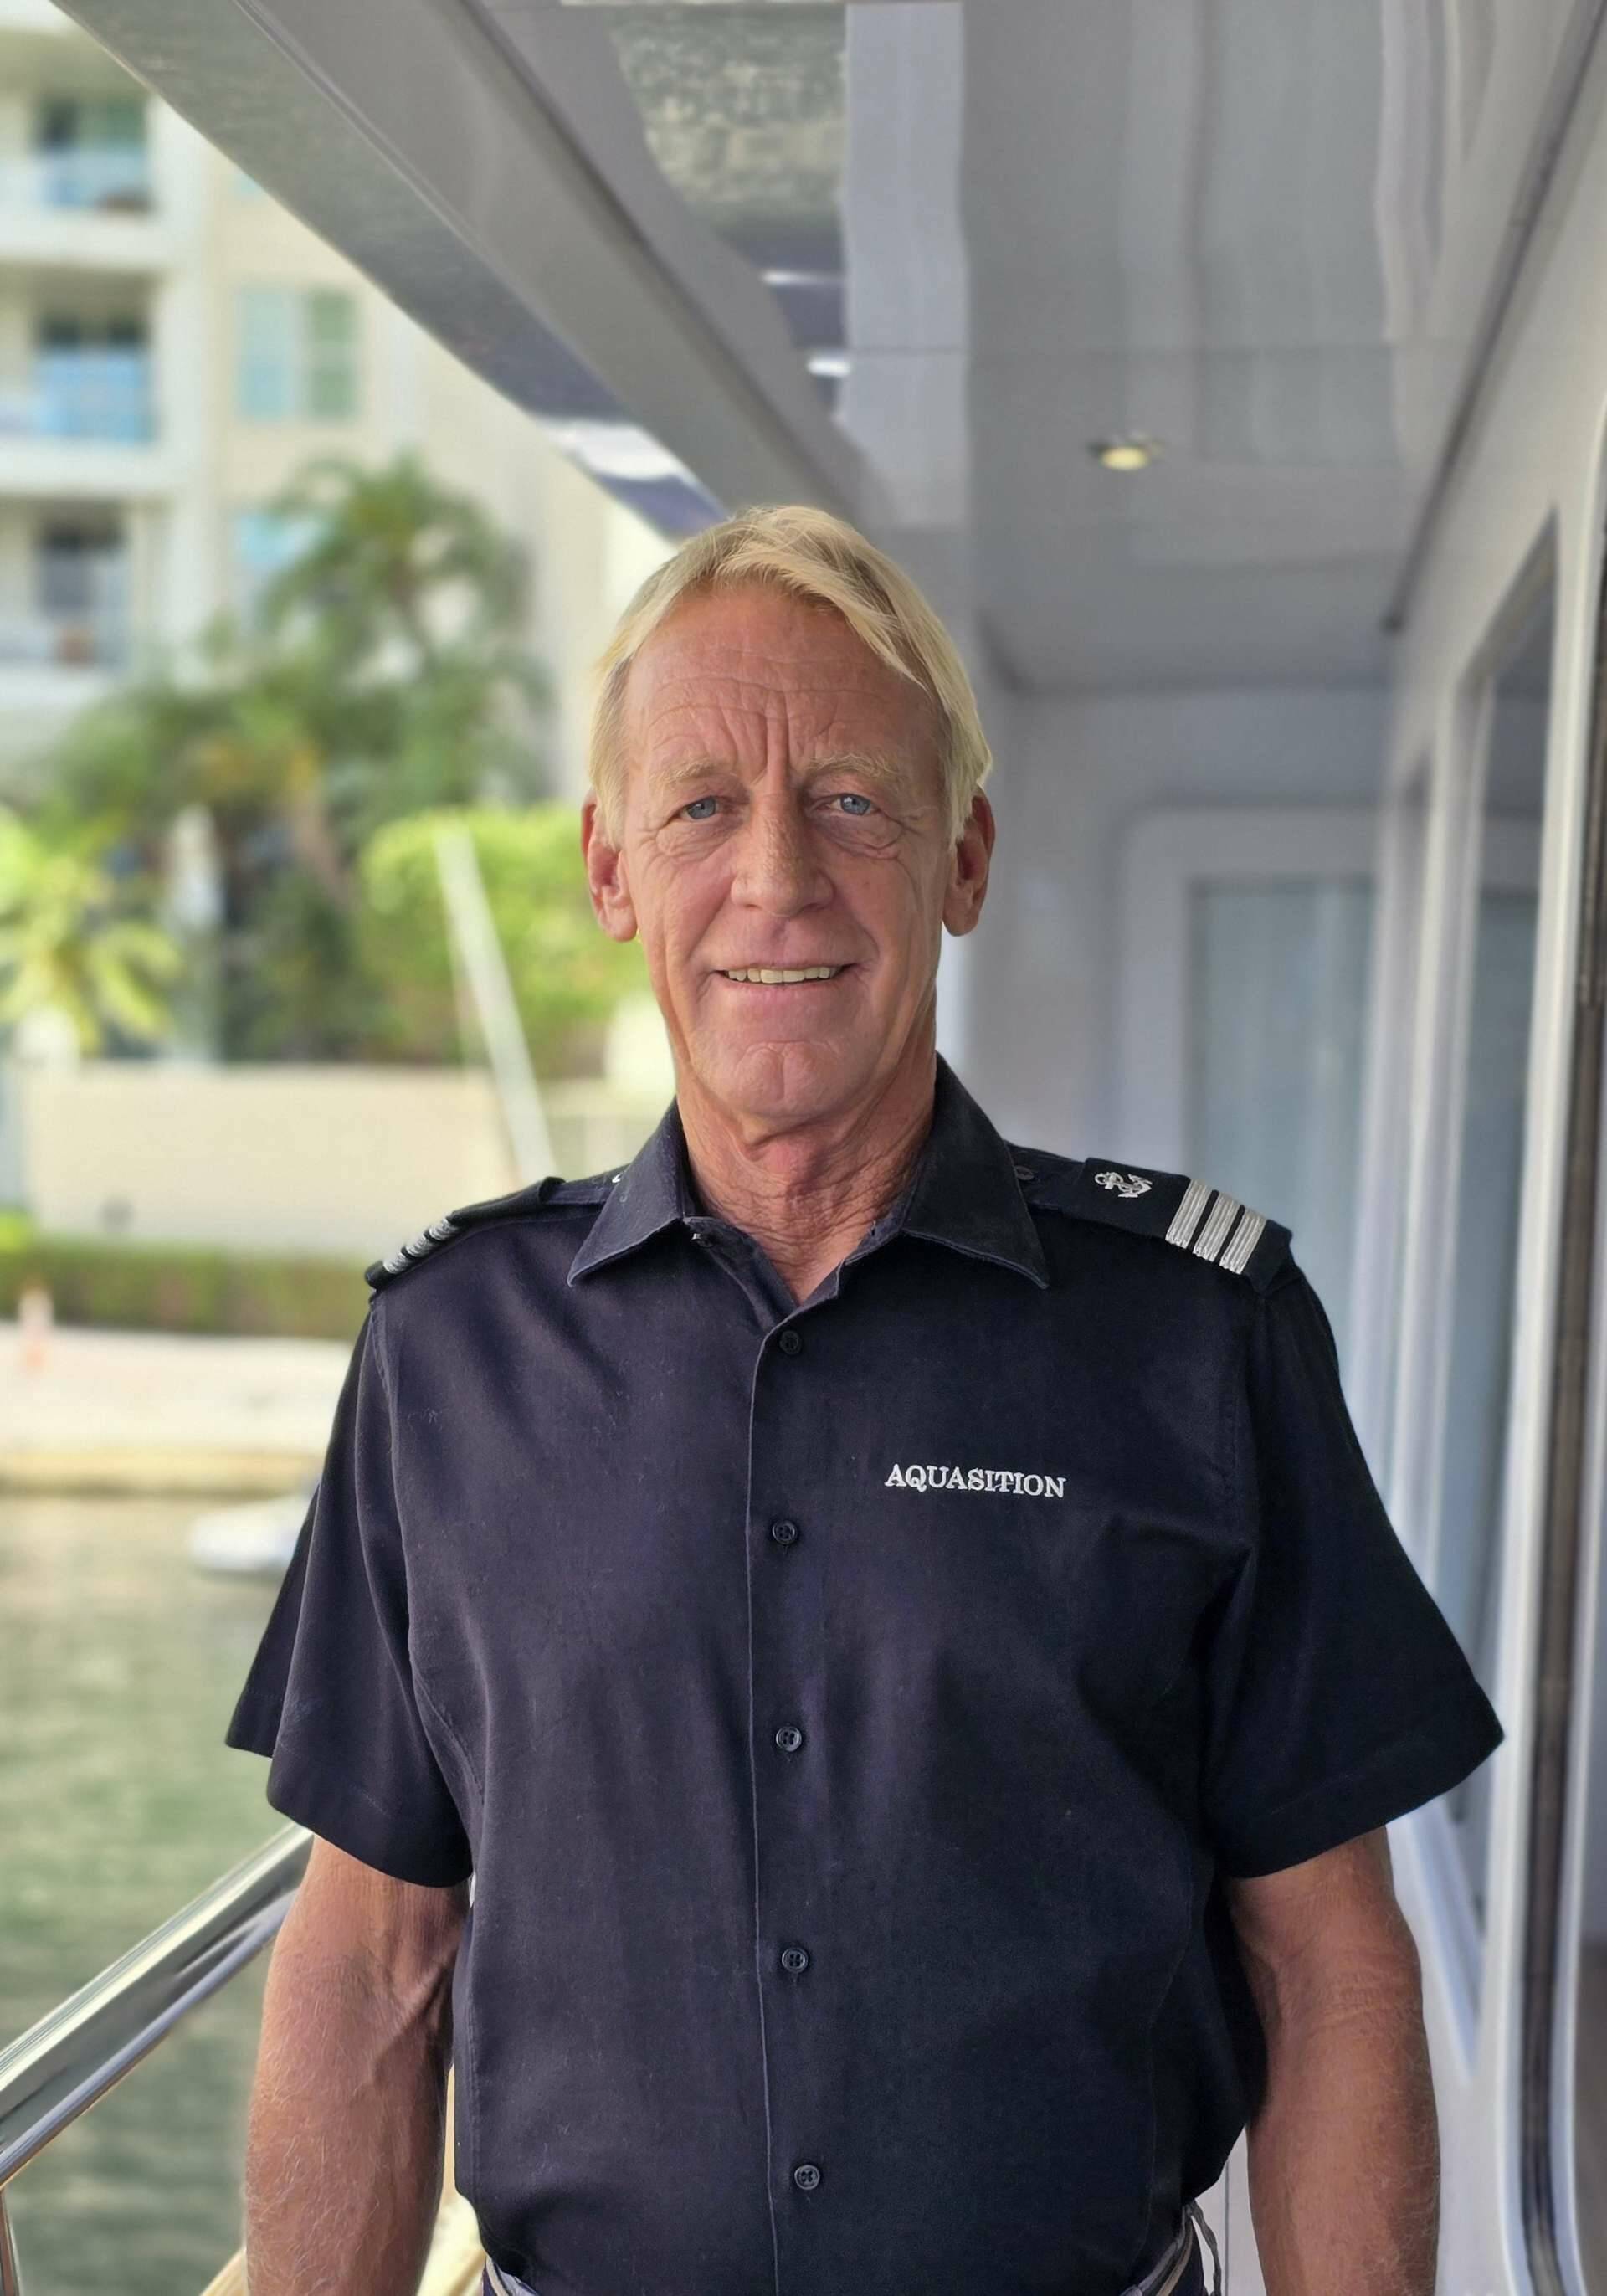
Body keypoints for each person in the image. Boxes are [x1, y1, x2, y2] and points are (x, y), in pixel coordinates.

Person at [224, 503, 1503, 2296]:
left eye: (849, 800)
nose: (778, 878)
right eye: (700, 806)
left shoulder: (1202, 1338)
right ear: (610, 870)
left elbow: (1330, 1966)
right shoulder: (451, 1351)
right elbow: (371, 1964)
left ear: (961, 856)